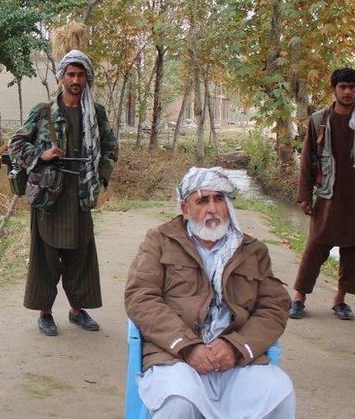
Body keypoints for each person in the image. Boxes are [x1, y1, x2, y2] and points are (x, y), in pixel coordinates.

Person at [125, 167, 295, 419]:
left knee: (279, 393)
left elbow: (274, 306)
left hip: (233, 356)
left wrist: (236, 346)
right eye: (202, 200)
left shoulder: (252, 251)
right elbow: (140, 297)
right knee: (178, 401)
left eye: (219, 199)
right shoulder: (159, 241)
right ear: (185, 209)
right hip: (175, 356)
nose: (212, 208)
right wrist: (187, 346)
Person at [9, 50, 118, 336]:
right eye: (70, 74)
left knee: (81, 254)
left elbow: (110, 149)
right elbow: (15, 145)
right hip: (49, 196)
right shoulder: (43, 112)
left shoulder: (97, 113)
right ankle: (45, 313)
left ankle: (77, 310)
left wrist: (102, 178)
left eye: (81, 75)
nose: (76, 80)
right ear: (61, 78)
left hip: (80, 195)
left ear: (87, 79)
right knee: (45, 255)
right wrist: (41, 155)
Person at [289, 67, 355, 320]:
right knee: (316, 246)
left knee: (354, 249)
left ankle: (340, 301)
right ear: (334, 89)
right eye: (342, 87)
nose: (347, 92)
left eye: (352, 87)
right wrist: (304, 195)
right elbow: (307, 161)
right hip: (328, 195)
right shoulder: (318, 120)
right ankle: (299, 298)